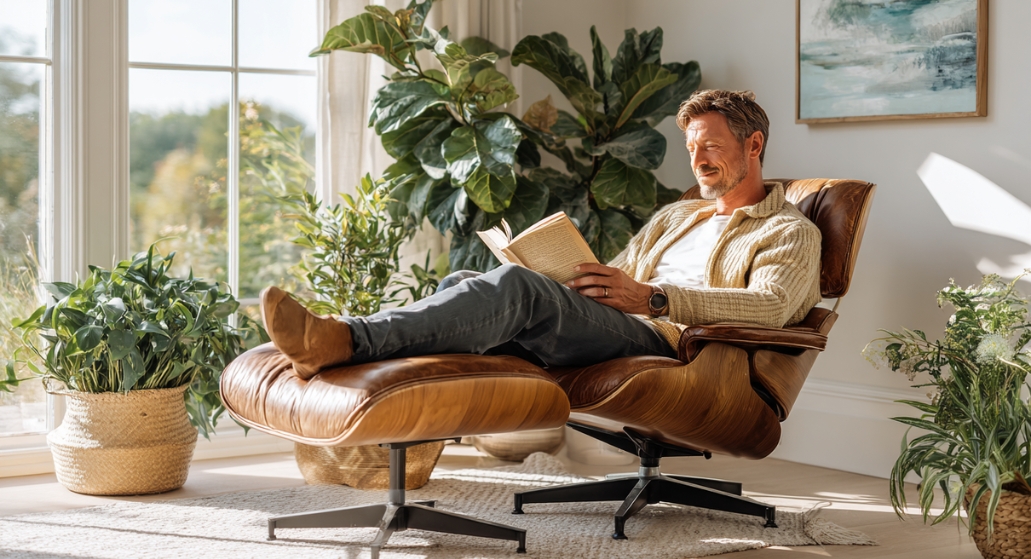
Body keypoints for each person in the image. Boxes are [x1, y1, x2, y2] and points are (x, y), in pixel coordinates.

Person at [260, 90, 823, 379]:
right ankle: (371, 382)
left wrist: (653, 298)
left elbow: (771, 307)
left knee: (517, 292)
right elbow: (614, 274)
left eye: (712, 146)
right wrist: (574, 274)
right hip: (624, 321)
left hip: (676, 346)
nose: (697, 160)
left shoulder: (787, 230)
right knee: (471, 281)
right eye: (691, 147)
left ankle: (344, 341)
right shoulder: (677, 216)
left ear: (753, 146)